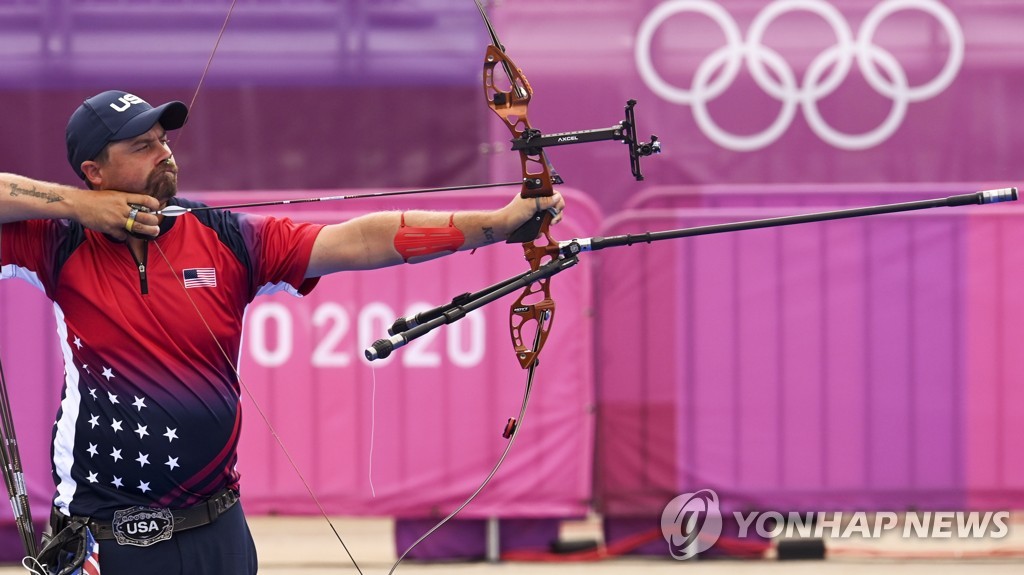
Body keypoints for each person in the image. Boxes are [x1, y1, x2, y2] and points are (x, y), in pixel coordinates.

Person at [0, 90, 565, 574]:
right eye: (141, 146)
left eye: (163, 140)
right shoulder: (59, 242)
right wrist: (81, 208)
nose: (164, 153)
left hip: (216, 530)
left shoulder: (222, 236)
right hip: (108, 539)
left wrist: (497, 224)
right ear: (94, 171)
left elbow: (360, 241)